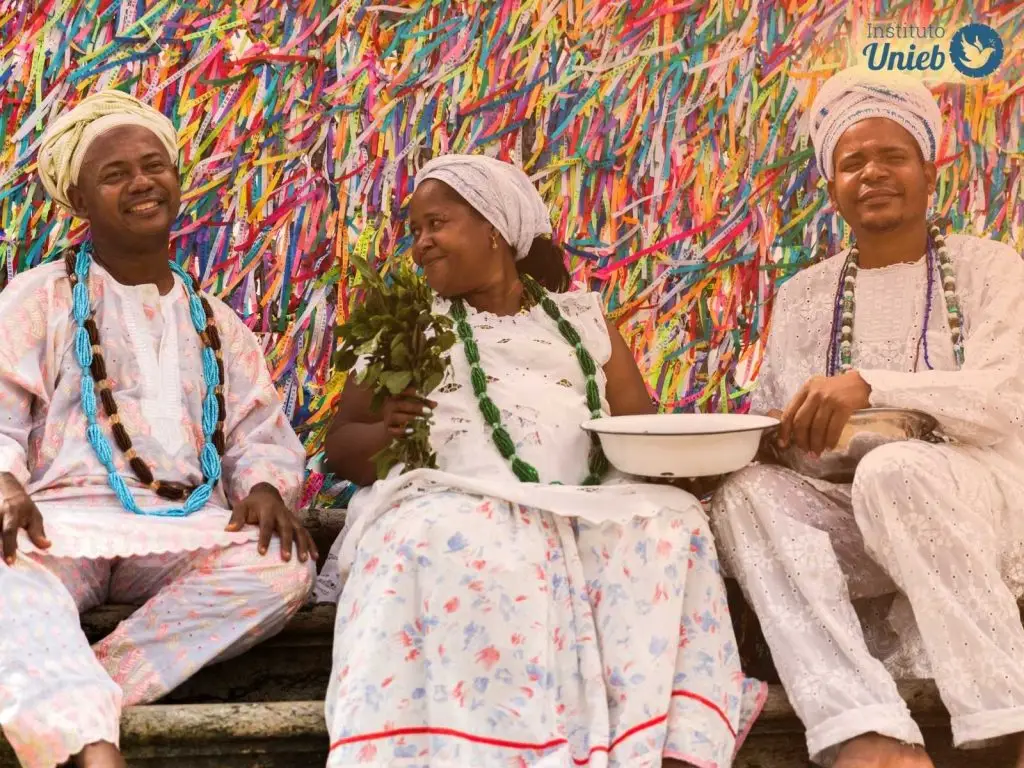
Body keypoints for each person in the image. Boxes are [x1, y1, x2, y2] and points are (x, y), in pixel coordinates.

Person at [317, 154, 765, 767]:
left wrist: (685, 461)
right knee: (455, 538)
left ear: (494, 229)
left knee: (674, 521)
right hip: (452, 494)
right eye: (415, 230)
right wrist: (383, 433)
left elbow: (638, 429)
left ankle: (663, 748)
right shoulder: (407, 326)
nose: (420, 244)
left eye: (436, 224)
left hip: (585, 499)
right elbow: (339, 450)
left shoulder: (581, 321)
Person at [711, 67, 1024, 768]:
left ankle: (1007, 718)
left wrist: (870, 385)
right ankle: (861, 722)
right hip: (849, 505)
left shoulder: (990, 267)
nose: (873, 172)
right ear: (832, 188)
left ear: (928, 169)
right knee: (744, 496)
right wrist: (753, 442)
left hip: (980, 496)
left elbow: (1005, 400)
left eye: (893, 156)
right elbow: (780, 421)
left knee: (895, 468)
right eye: (853, 162)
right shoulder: (804, 293)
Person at [0, 90, 317, 768]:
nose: (143, 182)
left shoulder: (216, 321)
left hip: (181, 527)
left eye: (154, 166)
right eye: (115, 175)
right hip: (58, 526)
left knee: (283, 565)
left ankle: (84, 697)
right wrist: (3, 483)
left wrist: (262, 484)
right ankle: (91, 750)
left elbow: (259, 432)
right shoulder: (37, 298)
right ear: (79, 202)